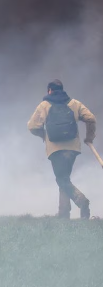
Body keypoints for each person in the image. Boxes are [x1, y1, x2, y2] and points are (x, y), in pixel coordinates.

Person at [28, 79, 97, 219]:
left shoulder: (44, 105)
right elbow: (90, 118)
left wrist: (43, 135)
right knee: (64, 178)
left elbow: (32, 126)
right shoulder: (74, 104)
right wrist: (89, 137)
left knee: (61, 179)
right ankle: (63, 214)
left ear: (49, 90)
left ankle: (81, 200)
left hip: (55, 149)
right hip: (72, 149)